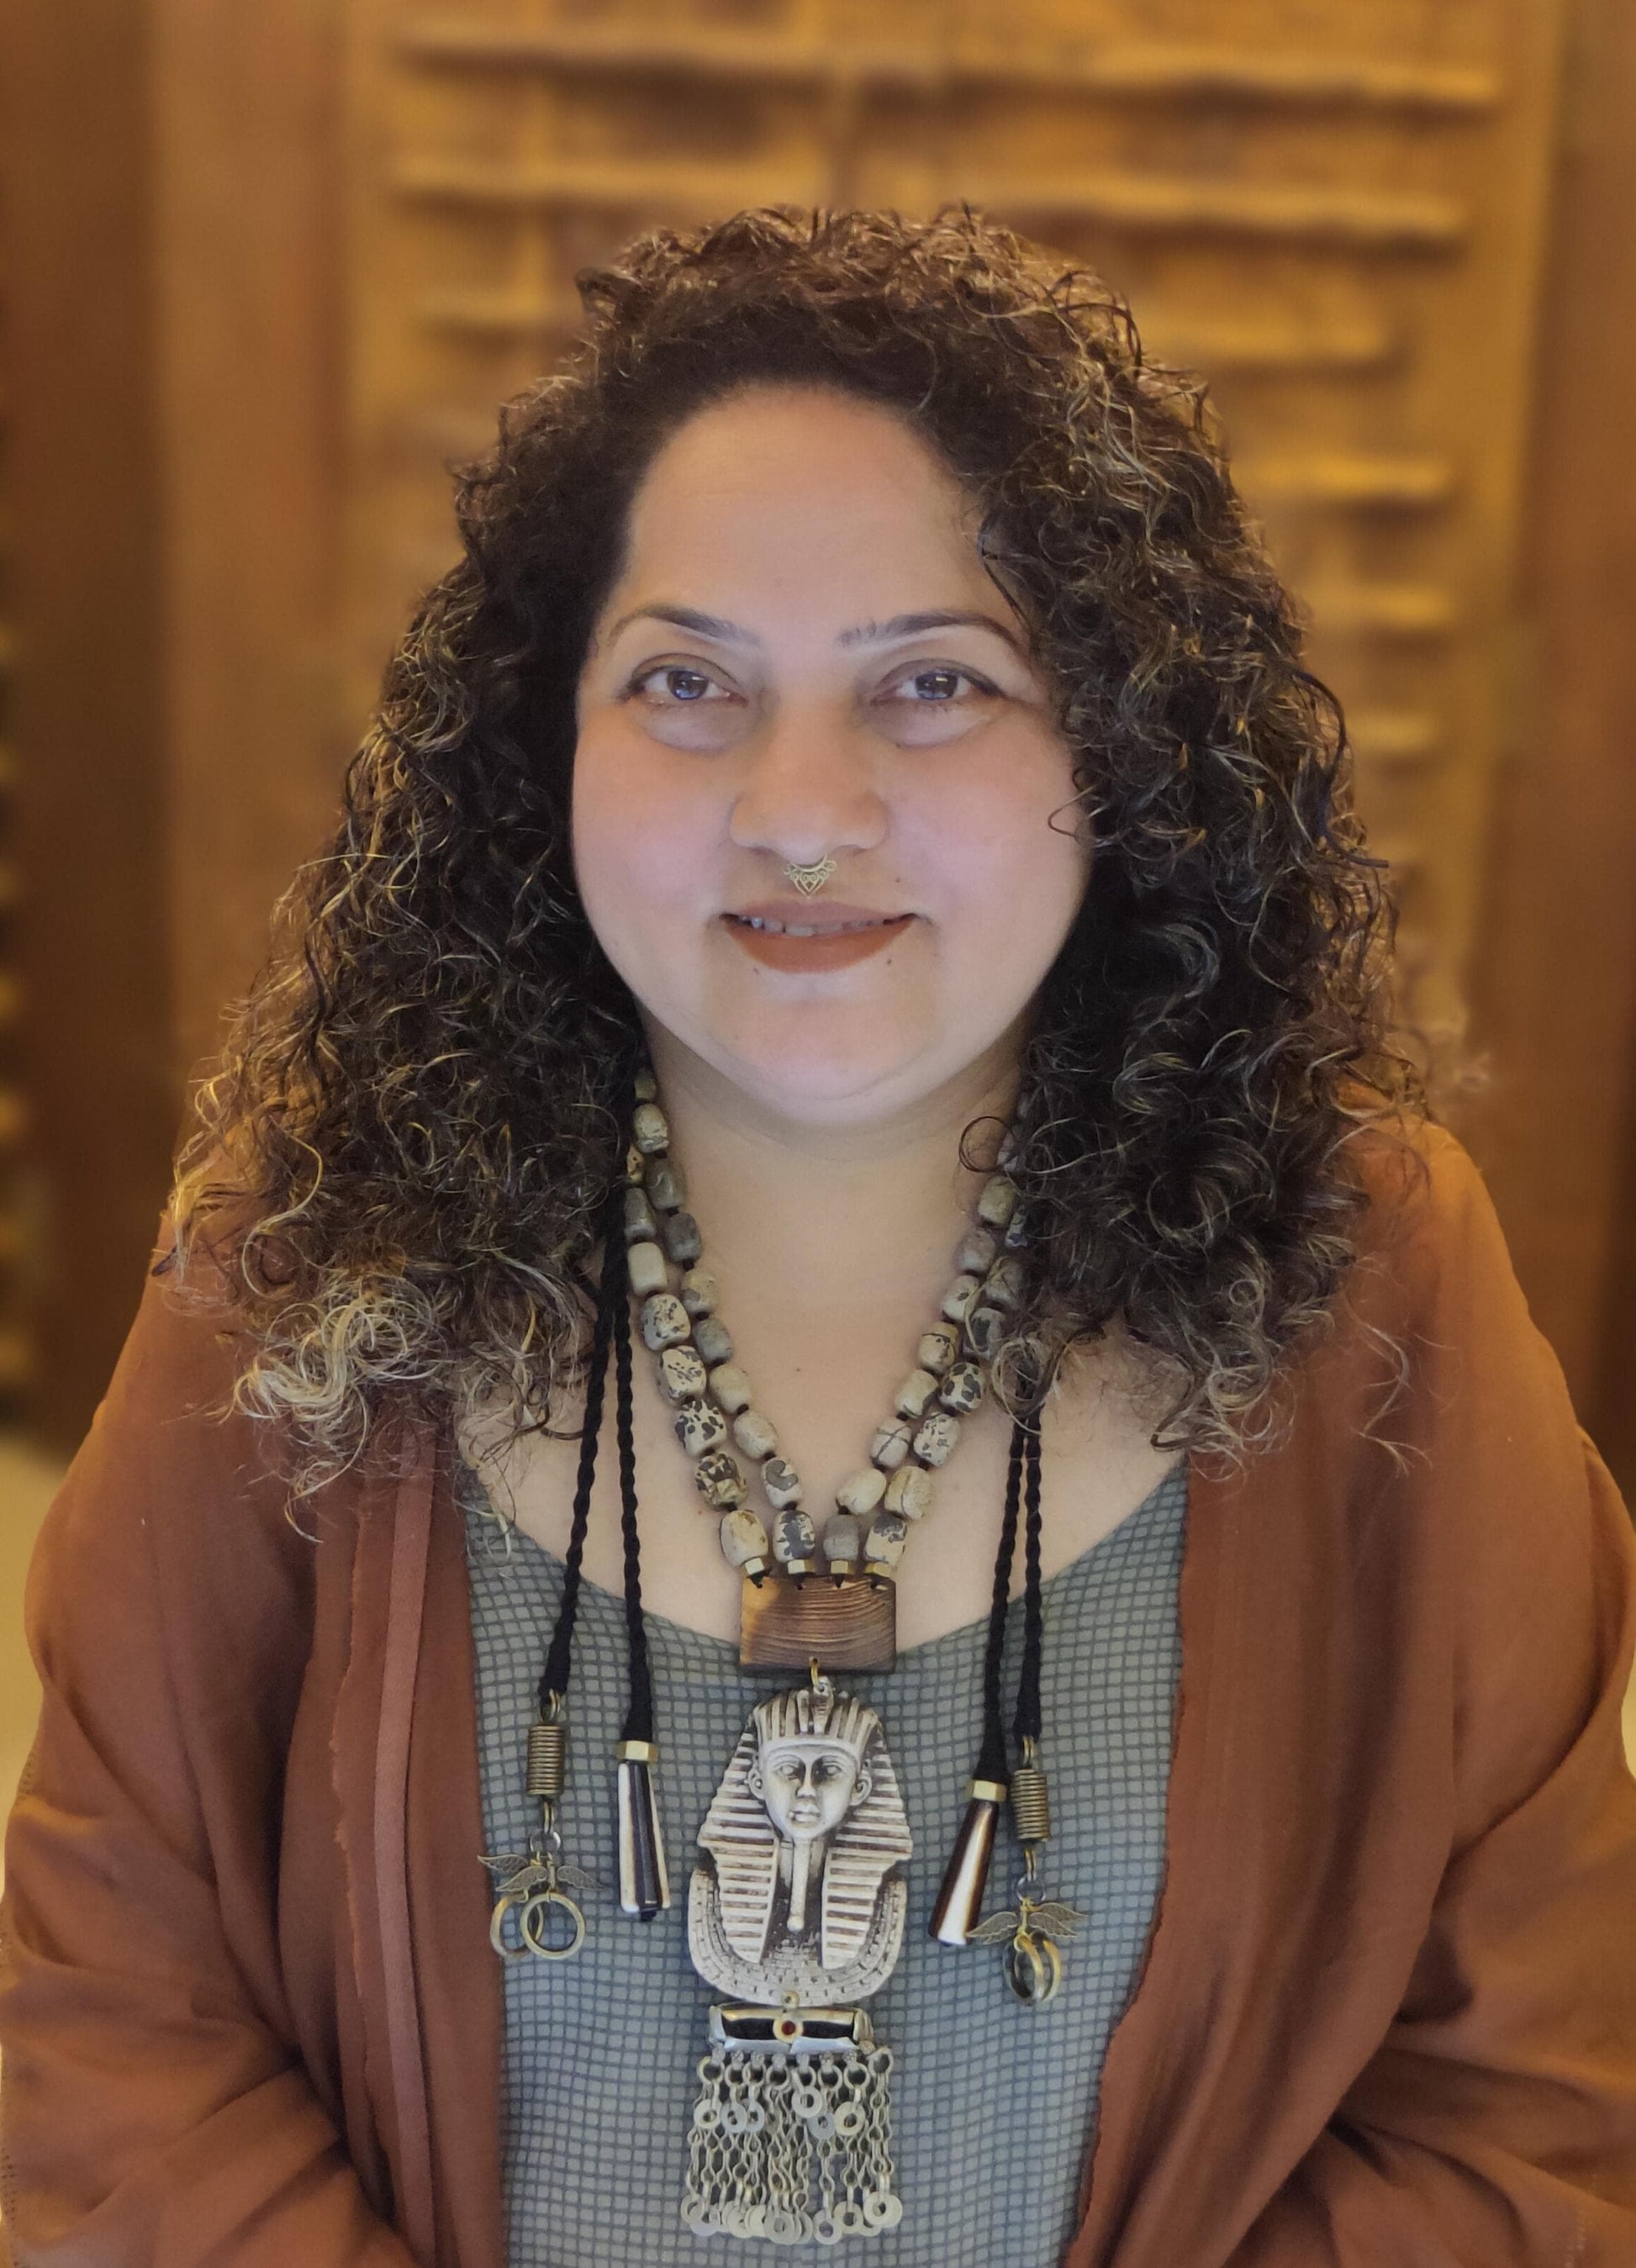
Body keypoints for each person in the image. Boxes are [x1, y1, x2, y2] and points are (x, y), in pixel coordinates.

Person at [2, 204, 1633, 2266]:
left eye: (933, 682)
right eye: (684, 678)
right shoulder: (311, 1249)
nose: (796, 804)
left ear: (1117, 745)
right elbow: (111, 2029)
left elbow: (1530, 2095)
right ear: (546, 738)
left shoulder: (1370, 1273)